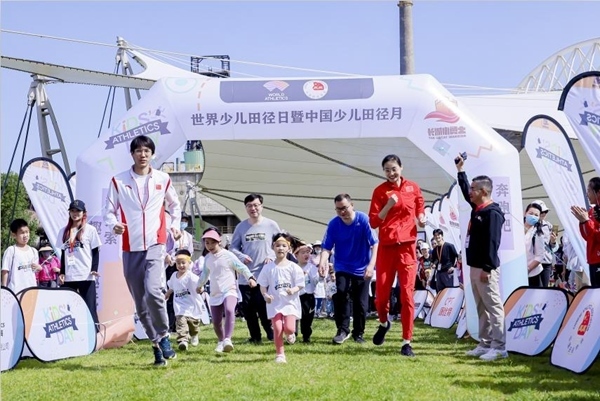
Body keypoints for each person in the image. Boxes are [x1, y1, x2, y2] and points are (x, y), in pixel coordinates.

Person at [103, 135, 181, 367]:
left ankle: (164, 336)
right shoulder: (119, 181)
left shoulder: (162, 179)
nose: (143, 154)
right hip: (130, 247)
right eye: (138, 151)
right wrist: (113, 224)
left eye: (147, 151)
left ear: (152, 154)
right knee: (140, 303)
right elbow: (108, 211)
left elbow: (175, 205)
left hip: (156, 243)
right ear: (132, 154)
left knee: (154, 291)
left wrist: (175, 226)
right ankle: (156, 344)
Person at [368, 155, 424, 357]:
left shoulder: (413, 187)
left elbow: (419, 207)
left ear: (401, 167)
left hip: (407, 248)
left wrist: (421, 218)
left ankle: (407, 341)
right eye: (387, 170)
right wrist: (388, 205)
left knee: (407, 295)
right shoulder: (380, 191)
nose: (391, 173)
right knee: (381, 295)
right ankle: (384, 323)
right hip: (387, 247)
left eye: (394, 168)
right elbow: (374, 222)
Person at [456, 153, 507, 361]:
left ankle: (499, 347)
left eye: (473, 189)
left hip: (486, 268)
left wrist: (487, 267)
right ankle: (485, 343)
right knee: (481, 307)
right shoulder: (477, 208)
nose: (470, 192)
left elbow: (493, 243)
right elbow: (464, 190)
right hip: (474, 266)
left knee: (493, 306)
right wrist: (461, 171)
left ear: (484, 192)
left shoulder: (492, 213)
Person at [319, 194, 378, 345]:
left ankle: (358, 333)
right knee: (341, 293)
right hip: (342, 265)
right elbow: (326, 247)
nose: (342, 212)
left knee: (361, 303)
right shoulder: (334, 224)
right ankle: (342, 330)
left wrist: (371, 266)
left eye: (344, 208)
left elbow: (375, 244)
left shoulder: (363, 220)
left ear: (352, 205)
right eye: (338, 209)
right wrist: (322, 262)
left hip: (362, 267)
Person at [197, 227, 257, 353]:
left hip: (229, 289)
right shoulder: (207, 258)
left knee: (229, 310)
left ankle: (227, 339)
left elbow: (241, 267)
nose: (210, 246)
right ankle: (221, 340)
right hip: (215, 293)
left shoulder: (228, 255)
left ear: (219, 242)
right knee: (216, 322)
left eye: (213, 242)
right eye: (207, 243)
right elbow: (204, 275)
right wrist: (199, 285)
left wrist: (250, 278)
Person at [230, 193, 280, 344]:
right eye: (249, 206)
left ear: (261, 206)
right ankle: (255, 337)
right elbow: (232, 248)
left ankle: (271, 334)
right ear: (246, 208)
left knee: (264, 306)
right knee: (249, 309)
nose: (253, 208)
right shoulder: (241, 227)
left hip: (265, 274)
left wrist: (271, 255)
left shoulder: (271, 225)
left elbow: (280, 244)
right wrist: (241, 256)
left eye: (256, 205)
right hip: (246, 276)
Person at [258, 233, 304, 363]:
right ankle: (280, 354)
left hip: (290, 303)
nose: (281, 248)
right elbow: (262, 285)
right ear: (273, 247)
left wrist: (293, 289)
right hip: (275, 304)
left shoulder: (293, 267)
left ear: (289, 248)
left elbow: (300, 284)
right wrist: (266, 295)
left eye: (284, 246)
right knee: (277, 329)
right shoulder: (268, 268)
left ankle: (290, 333)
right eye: (278, 245)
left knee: (289, 328)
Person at [56, 200, 102, 326]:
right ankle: (72, 334)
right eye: (72, 211)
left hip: (85, 275)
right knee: (68, 309)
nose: (75, 213)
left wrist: (94, 268)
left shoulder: (90, 230)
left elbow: (95, 251)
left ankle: (95, 334)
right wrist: (62, 272)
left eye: (78, 211)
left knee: (89, 308)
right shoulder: (63, 231)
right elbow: (63, 254)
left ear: (84, 213)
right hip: (69, 277)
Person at [164, 249, 202, 351]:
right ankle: (183, 340)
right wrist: (168, 293)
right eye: (178, 263)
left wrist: (201, 289)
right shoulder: (174, 276)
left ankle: (194, 334)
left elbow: (199, 284)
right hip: (180, 306)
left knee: (193, 324)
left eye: (183, 263)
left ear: (189, 263)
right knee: (181, 323)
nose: (181, 265)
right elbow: (172, 287)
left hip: (192, 305)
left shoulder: (191, 276)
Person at [165, 212, 195, 334]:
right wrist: (168, 257)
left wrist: (187, 264)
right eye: (181, 220)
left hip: (184, 267)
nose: (183, 223)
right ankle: (170, 324)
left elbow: (190, 252)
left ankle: (186, 321)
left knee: (183, 294)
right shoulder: (170, 234)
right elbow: (165, 249)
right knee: (171, 294)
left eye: (185, 221)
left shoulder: (188, 236)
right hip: (172, 265)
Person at [571, 177, 600, 288]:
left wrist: (586, 221)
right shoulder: (592, 211)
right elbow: (588, 237)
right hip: (592, 259)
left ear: (598, 192)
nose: (587, 195)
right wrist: (583, 221)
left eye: (589, 191)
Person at [2, 219, 41, 293]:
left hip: (31, 290)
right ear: (14, 235)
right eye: (22, 233)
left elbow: (34, 271)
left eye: (27, 232)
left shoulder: (34, 251)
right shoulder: (11, 250)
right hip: (15, 292)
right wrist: (4, 290)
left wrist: (39, 268)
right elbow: (5, 271)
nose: (25, 235)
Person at [295, 241, 319, 343]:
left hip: (308, 296)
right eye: (303, 252)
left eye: (308, 252)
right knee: (294, 317)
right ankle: (292, 335)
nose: (306, 255)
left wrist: (318, 275)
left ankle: (306, 336)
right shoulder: (293, 267)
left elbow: (316, 281)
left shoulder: (312, 267)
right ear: (296, 255)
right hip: (296, 296)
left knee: (307, 318)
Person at [531, 200, 558, 287]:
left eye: (546, 211)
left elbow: (554, 247)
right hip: (533, 262)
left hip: (546, 262)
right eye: (542, 211)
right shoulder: (529, 225)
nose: (544, 214)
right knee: (535, 287)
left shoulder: (548, 226)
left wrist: (553, 241)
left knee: (545, 287)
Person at [523, 203, 545, 287]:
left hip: (532, 274)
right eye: (531, 213)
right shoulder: (516, 228)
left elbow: (539, 256)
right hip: (516, 270)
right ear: (525, 213)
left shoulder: (538, 233)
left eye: (536, 215)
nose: (533, 216)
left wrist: (528, 269)